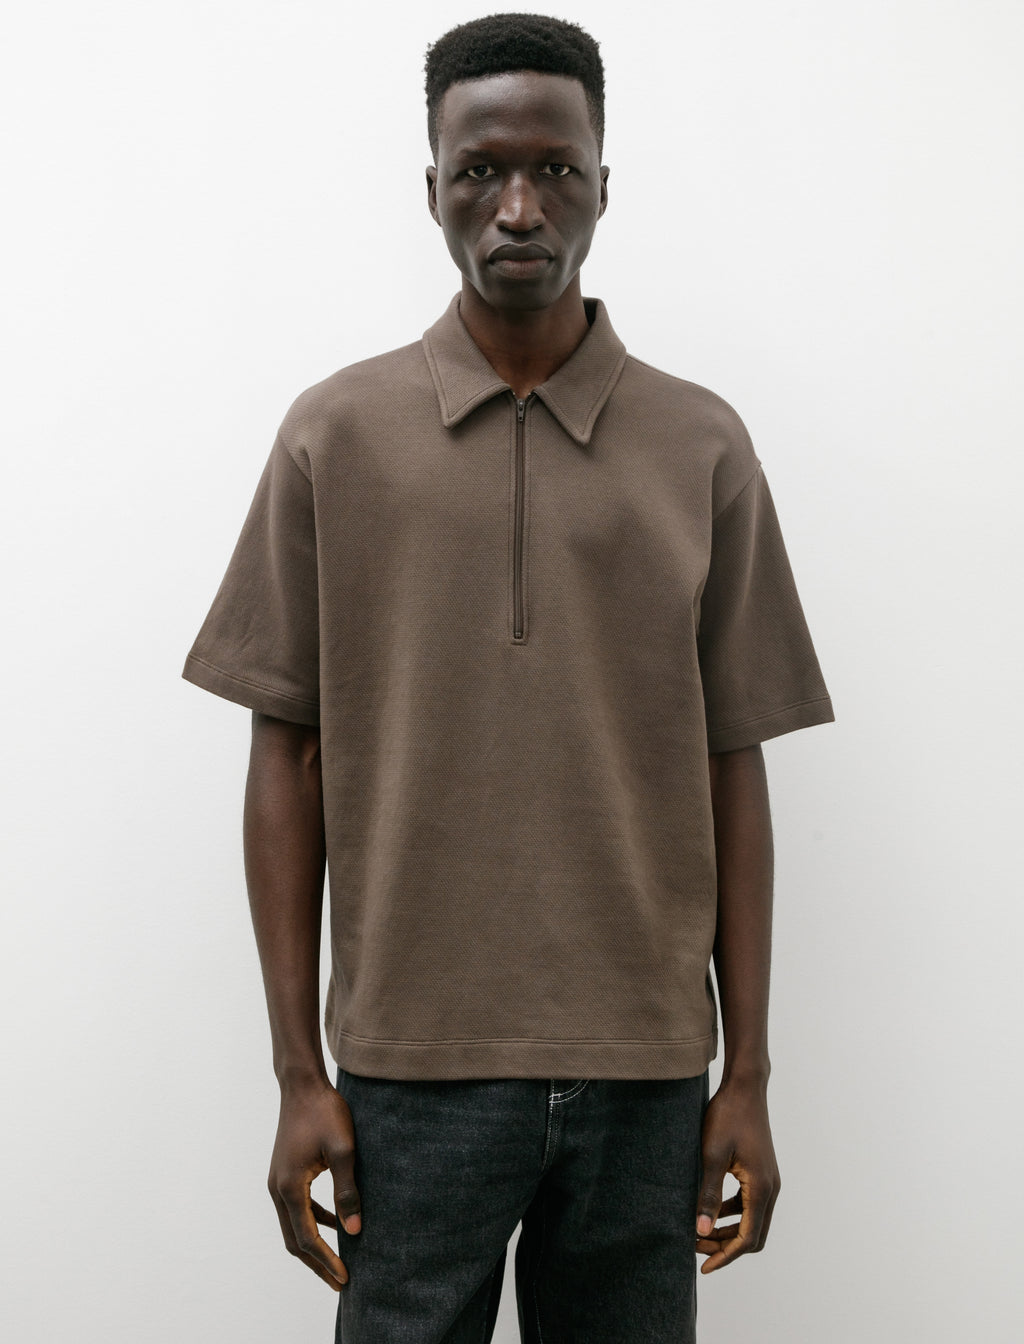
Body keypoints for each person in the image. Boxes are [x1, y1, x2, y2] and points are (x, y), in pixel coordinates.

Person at [181, 12, 834, 1342]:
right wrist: (298, 1072)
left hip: (648, 1070)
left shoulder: (702, 446)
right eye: (481, 170)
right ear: (432, 186)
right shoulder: (332, 436)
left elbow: (735, 761)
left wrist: (749, 1073)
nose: (519, 206)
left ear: (604, 184)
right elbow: (284, 756)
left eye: (555, 168)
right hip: (408, 1073)